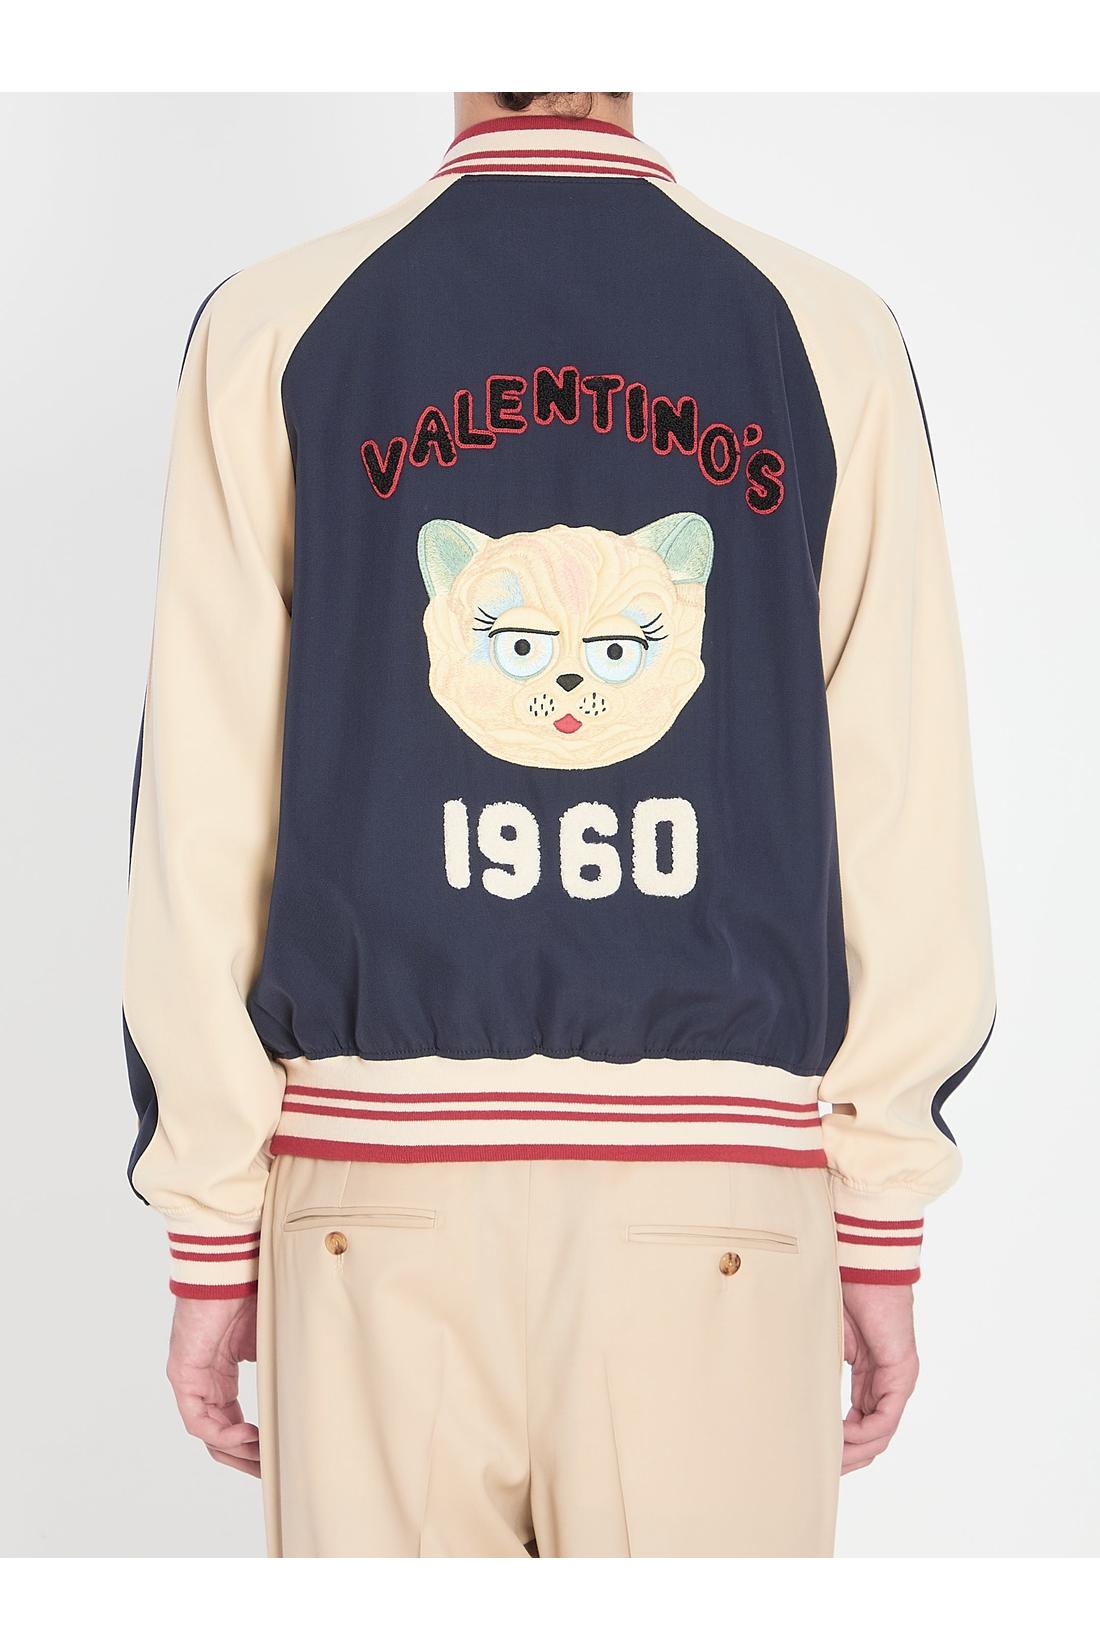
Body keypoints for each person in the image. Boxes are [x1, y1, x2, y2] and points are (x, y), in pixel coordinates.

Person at [122, 91, 995, 1558]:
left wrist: (210, 1222)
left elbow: (203, 802)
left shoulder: (277, 324)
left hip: (372, 1198)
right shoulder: (826, 331)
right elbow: (903, 791)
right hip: (722, 1204)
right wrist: (881, 1200)